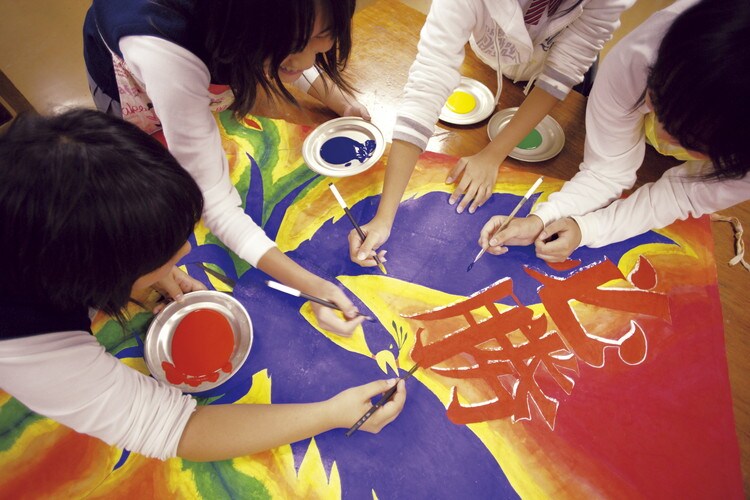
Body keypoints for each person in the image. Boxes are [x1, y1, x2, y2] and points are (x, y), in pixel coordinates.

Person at [0, 109, 406, 462]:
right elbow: (173, 430)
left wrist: (150, 273)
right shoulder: (26, 342)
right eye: (165, 257)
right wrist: (330, 414)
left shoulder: (47, 188)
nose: (184, 257)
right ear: (90, 275)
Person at [83, 0, 370, 335]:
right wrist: (312, 286)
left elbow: (291, 40)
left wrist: (341, 101)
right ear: (242, 26)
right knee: (145, 176)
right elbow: (214, 203)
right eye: (293, 47)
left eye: (323, 37)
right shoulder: (167, 53)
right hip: (136, 83)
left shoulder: (272, 27)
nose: (308, 61)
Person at [348, 0, 635, 268]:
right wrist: (384, 217)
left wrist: (493, 155)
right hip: (492, 57)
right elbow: (430, 78)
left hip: (554, 84)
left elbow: (563, 71)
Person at [477, 0, 750, 263]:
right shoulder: (643, 56)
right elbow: (606, 171)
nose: (662, 134)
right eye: (657, 102)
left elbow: (682, 194)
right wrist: (543, 218)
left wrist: (589, 229)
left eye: (690, 140)